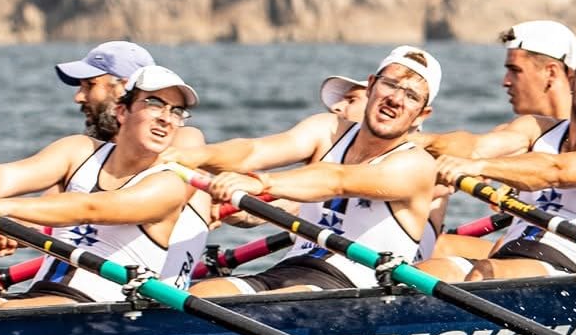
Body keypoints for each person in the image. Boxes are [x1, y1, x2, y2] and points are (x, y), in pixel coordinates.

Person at [0, 67, 211, 309]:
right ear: (122, 111)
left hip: (103, 312)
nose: (166, 118)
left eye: (176, 111)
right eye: (154, 104)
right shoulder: (79, 150)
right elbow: (5, 177)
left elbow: (91, 208)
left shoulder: (169, 184)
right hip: (43, 298)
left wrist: (0, 207)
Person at [187, 46, 443, 296]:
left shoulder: (416, 164)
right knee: (204, 292)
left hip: (357, 288)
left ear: (422, 115)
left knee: (283, 301)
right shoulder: (326, 129)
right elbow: (253, 151)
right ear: (371, 85)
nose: (396, 99)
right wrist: (190, 156)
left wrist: (261, 182)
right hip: (288, 269)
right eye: (390, 84)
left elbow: (337, 180)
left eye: (412, 96)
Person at [416, 38, 576, 280]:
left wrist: (478, 167)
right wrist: (411, 141)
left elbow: (556, 171)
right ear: (572, 80)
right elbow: (474, 147)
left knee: (485, 273)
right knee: (421, 277)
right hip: (513, 255)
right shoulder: (535, 128)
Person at [421, 20, 576, 259]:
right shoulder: (515, 134)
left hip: (575, 253)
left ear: (550, 72)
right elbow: (472, 148)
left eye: (515, 70)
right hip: (526, 246)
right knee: (436, 247)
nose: (505, 81)